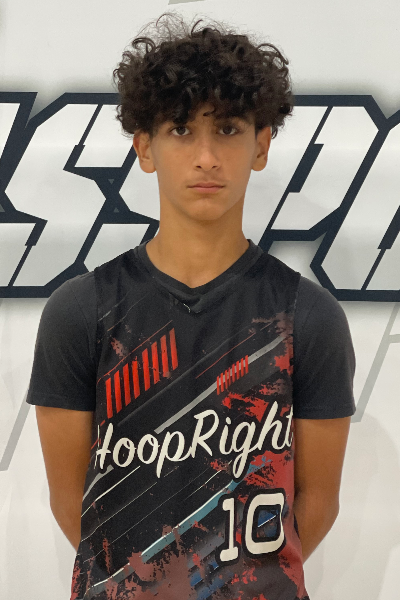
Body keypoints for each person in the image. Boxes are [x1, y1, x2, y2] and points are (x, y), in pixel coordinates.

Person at [26, 11, 356, 600]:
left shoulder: (308, 316)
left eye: (227, 129)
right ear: (144, 147)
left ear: (261, 145)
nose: (206, 156)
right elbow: (71, 499)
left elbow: (318, 501)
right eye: (181, 129)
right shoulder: (79, 311)